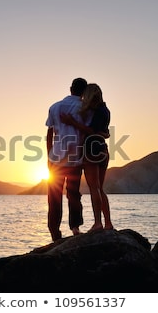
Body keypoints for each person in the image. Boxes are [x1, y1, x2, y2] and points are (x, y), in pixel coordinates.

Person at [61, 83, 113, 232]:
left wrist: (72, 122)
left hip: (92, 149)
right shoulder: (105, 110)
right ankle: (108, 222)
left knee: (94, 188)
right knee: (100, 188)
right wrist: (104, 134)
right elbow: (104, 132)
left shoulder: (96, 111)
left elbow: (91, 131)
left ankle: (98, 223)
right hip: (102, 149)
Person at [45, 78, 87, 241]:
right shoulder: (85, 108)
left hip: (56, 157)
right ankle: (75, 228)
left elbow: (50, 133)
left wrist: (48, 155)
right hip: (75, 157)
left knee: (54, 195)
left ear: (70, 89)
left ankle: (54, 231)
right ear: (84, 92)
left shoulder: (54, 107)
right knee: (74, 193)